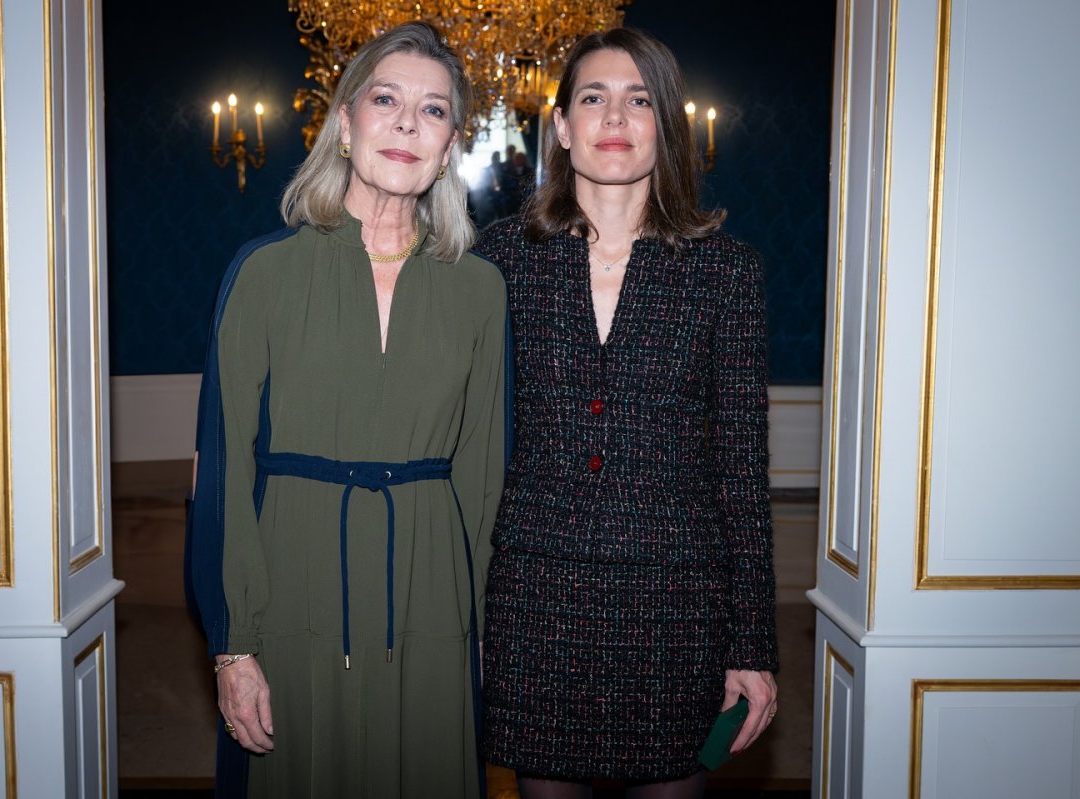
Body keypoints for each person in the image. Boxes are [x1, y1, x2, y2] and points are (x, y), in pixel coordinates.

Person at [186, 21, 509, 799]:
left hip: (432, 597)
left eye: (433, 111)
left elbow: (485, 478)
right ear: (344, 122)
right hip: (295, 583)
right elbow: (222, 470)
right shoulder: (264, 272)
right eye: (387, 100)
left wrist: (482, 639)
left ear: (450, 144)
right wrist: (234, 649)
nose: (406, 123)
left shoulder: (480, 288)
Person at [476, 27, 778, 798]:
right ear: (564, 127)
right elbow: (467, 449)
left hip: (679, 613)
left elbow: (741, 473)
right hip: (535, 602)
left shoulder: (726, 272)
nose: (615, 118)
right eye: (594, 98)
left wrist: (753, 646)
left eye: (639, 99)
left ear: (665, 125)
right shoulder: (496, 259)